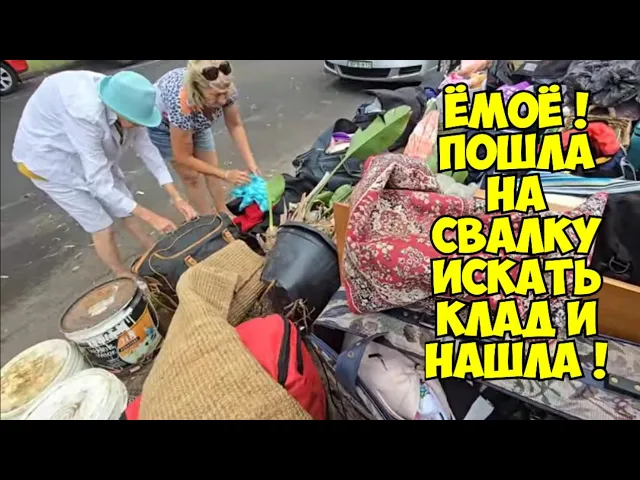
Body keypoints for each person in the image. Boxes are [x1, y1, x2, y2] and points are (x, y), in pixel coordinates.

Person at [12, 69, 198, 279]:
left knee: (126, 206)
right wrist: (152, 217)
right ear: (119, 110)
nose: (139, 124)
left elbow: (148, 150)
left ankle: (158, 256)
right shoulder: (86, 115)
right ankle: (124, 278)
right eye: (136, 120)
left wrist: (176, 197)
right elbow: (99, 184)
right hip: (50, 163)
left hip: (84, 152)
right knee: (101, 225)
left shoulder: (129, 101)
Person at [148, 60, 259, 216]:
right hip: (163, 125)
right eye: (216, 95)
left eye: (224, 94)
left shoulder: (224, 87)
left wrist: (252, 165)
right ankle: (209, 219)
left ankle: (223, 211)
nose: (222, 100)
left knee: (212, 167)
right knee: (191, 176)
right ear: (198, 90)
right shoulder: (181, 105)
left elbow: (235, 125)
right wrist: (226, 174)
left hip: (198, 119)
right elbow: (183, 156)